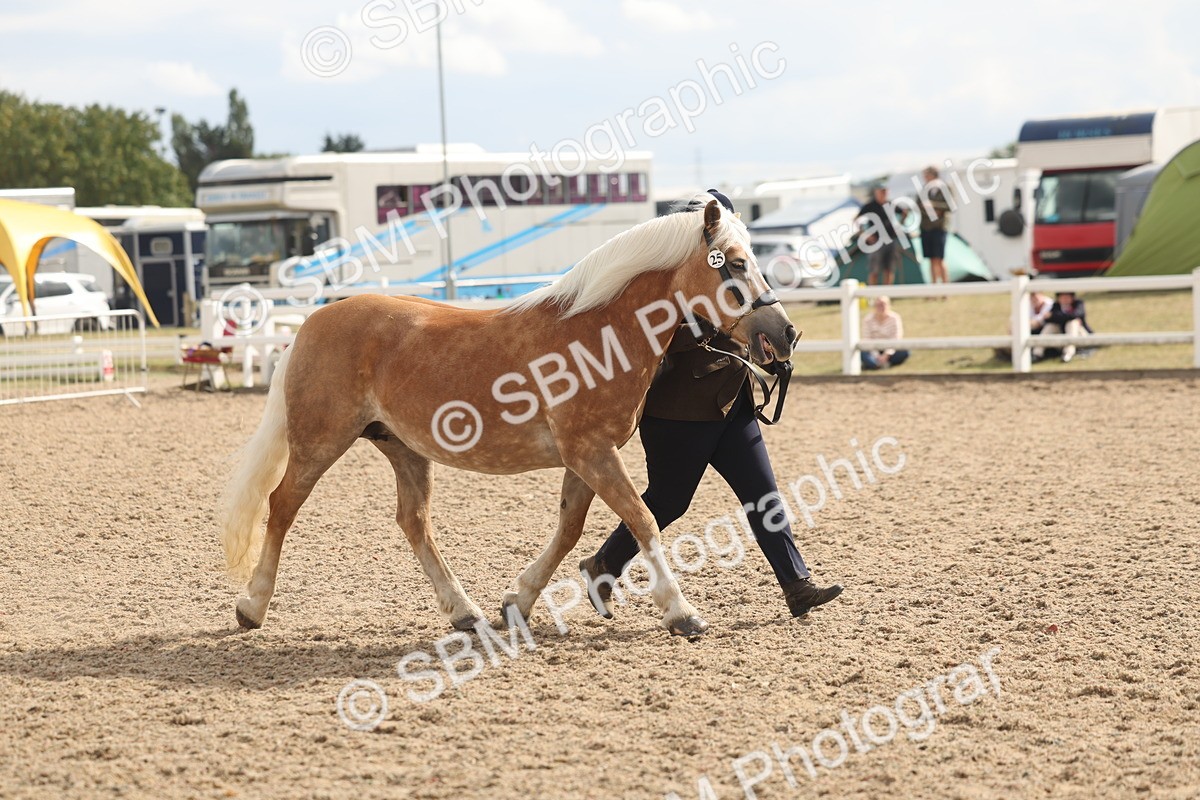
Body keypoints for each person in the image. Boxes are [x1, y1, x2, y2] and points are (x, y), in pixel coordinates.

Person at [579, 194, 843, 624]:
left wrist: (764, 346)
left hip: (730, 404)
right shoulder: (667, 282)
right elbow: (656, 341)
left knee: (763, 496)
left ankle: (797, 586)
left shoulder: (724, 271)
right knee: (668, 501)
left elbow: (744, 310)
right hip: (679, 412)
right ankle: (603, 565)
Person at [856, 185, 902, 286]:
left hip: (891, 240)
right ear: (876, 192)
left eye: (885, 191)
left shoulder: (890, 204)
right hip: (876, 242)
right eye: (881, 191)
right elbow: (856, 220)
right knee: (874, 270)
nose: (884, 193)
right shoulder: (869, 206)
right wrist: (865, 235)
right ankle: (873, 296)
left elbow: (904, 212)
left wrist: (900, 225)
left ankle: (886, 296)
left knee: (889, 270)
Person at [917, 166, 952, 290]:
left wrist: (934, 206)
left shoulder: (944, 188)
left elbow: (950, 206)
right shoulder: (924, 190)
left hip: (939, 228)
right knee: (931, 260)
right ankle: (934, 288)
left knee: (940, 258)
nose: (925, 178)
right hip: (926, 228)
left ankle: (945, 288)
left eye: (927, 175)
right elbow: (918, 205)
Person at [1034, 291, 1093, 362]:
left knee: (1072, 323)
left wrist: (1056, 316)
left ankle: (1068, 353)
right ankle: (1037, 353)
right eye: (1062, 297)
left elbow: (1076, 314)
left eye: (1067, 296)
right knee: (1051, 326)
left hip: (1080, 336)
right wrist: (1059, 316)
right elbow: (1048, 319)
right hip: (1061, 338)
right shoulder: (1056, 306)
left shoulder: (1078, 304)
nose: (1065, 299)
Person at [860, 296, 909, 370]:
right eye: (878, 305)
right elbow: (867, 339)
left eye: (883, 304)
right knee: (861, 352)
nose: (881, 307)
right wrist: (877, 356)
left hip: (890, 349)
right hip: (873, 349)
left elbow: (896, 338)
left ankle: (876, 365)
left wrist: (886, 355)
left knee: (904, 351)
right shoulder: (868, 319)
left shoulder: (894, 318)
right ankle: (878, 364)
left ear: (888, 305)